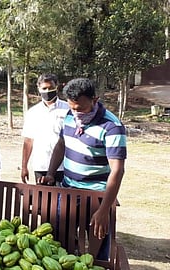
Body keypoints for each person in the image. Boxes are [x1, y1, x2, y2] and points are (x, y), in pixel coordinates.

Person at [38, 78, 126, 260]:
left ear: (95, 99)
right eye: (72, 108)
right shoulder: (70, 116)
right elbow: (61, 144)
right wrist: (50, 173)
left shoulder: (112, 127)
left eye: (81, 108)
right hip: (68, 191)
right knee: (62, 246)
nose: (76, 113)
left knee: (99, 252)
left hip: (97, 197)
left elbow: (117, 171)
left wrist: (103, 210)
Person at [21, 74, 69, 185]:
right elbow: (28, 141)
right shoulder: (32, 112)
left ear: (56, 87)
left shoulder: (68, 109)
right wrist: (24, 166)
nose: (48, 91)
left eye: (51, 87)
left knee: (63, 201)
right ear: (38, 88)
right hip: (41, 165)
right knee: (42, 200)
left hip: (64, 166)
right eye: (44, 88)